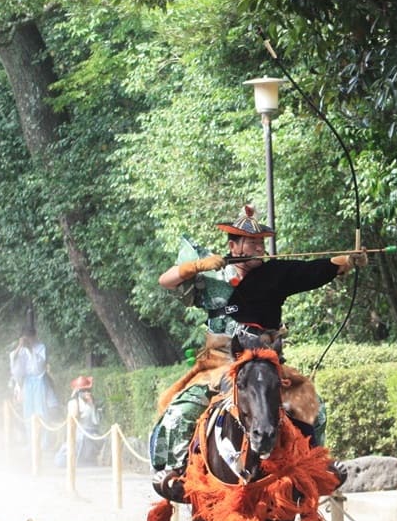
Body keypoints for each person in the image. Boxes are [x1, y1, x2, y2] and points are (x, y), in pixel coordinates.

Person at [149, 205, 366, 502]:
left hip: (266, 361)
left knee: (313, 406)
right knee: (181, 411)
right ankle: (176, 473)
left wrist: (345, 261)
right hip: (219, 362)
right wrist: (197, 266)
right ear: (233, 245)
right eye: (251, 243)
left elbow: (313, 270)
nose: (258, 248)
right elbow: (166, 280)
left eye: (261, 243)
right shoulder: (212, 278)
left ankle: (317, 466)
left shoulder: (275, 273)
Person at [9, 326, 59, 445]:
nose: (28, 340)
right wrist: (20, 346)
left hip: (39, 381)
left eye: (30, 338)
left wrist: (31, 349)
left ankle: (43, 442)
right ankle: (31, 441)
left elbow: (39, 364)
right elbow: (13, 363)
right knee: (28, 412)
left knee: (41, 410)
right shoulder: (20, 349)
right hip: (27, 382)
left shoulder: (41, 347)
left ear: (34, 337)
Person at [54, 376, 102, 467]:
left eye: (88, 390)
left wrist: (92, 406)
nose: (87, 393)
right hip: (78, 434)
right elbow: (72, 421)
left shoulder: (93, 403)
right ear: (78, 392)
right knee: (63, 459)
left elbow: (96, 422)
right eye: (84, 391)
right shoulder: (73, 403)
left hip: (92, 434)